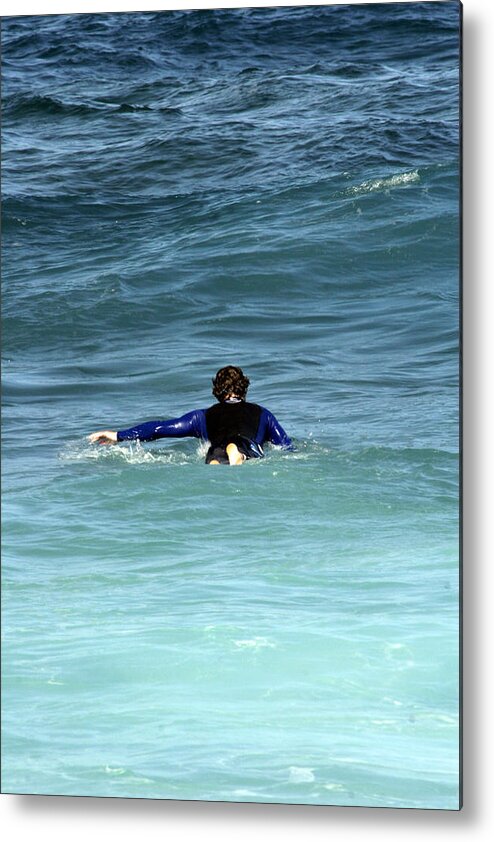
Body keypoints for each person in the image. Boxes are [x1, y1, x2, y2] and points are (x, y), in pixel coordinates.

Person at [88, 365, 293, 465]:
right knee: (245, 448)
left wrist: (118, 435)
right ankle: (237, 451)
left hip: (218, 445)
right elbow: (285, 446)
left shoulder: (202, 417)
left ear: (217, 391)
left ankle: (220, 457)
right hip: (247, 444)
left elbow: (160, 429)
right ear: (244, 390)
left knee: (215, 456)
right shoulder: (263, 414)